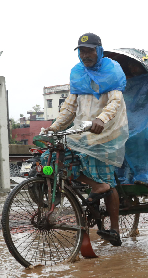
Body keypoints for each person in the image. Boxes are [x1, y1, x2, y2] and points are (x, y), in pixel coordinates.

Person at [44, 33, 129, 246]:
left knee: (107, 181)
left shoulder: (111, 71)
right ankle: (87, 190)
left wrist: (101, 119)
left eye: (90, 50)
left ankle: (115, 229)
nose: (85, 55)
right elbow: (70, 107)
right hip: (81, 130)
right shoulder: (78, 74)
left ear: (98, 50)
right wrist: (54, 128)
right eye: (82, 51)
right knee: (52, 158)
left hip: (106, 132)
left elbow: (115, 103)